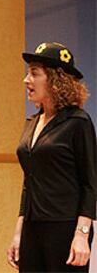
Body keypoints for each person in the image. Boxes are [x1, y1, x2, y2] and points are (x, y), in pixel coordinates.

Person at [7, 42, 97, 272]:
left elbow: (90, 183)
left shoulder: (78, 122)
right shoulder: (31, 123)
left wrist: (82, 235)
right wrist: (19, 231)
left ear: (56, 81)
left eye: (34, 73)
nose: (26, 80)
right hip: (32, 226)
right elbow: (30, 182)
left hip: (65, 227)